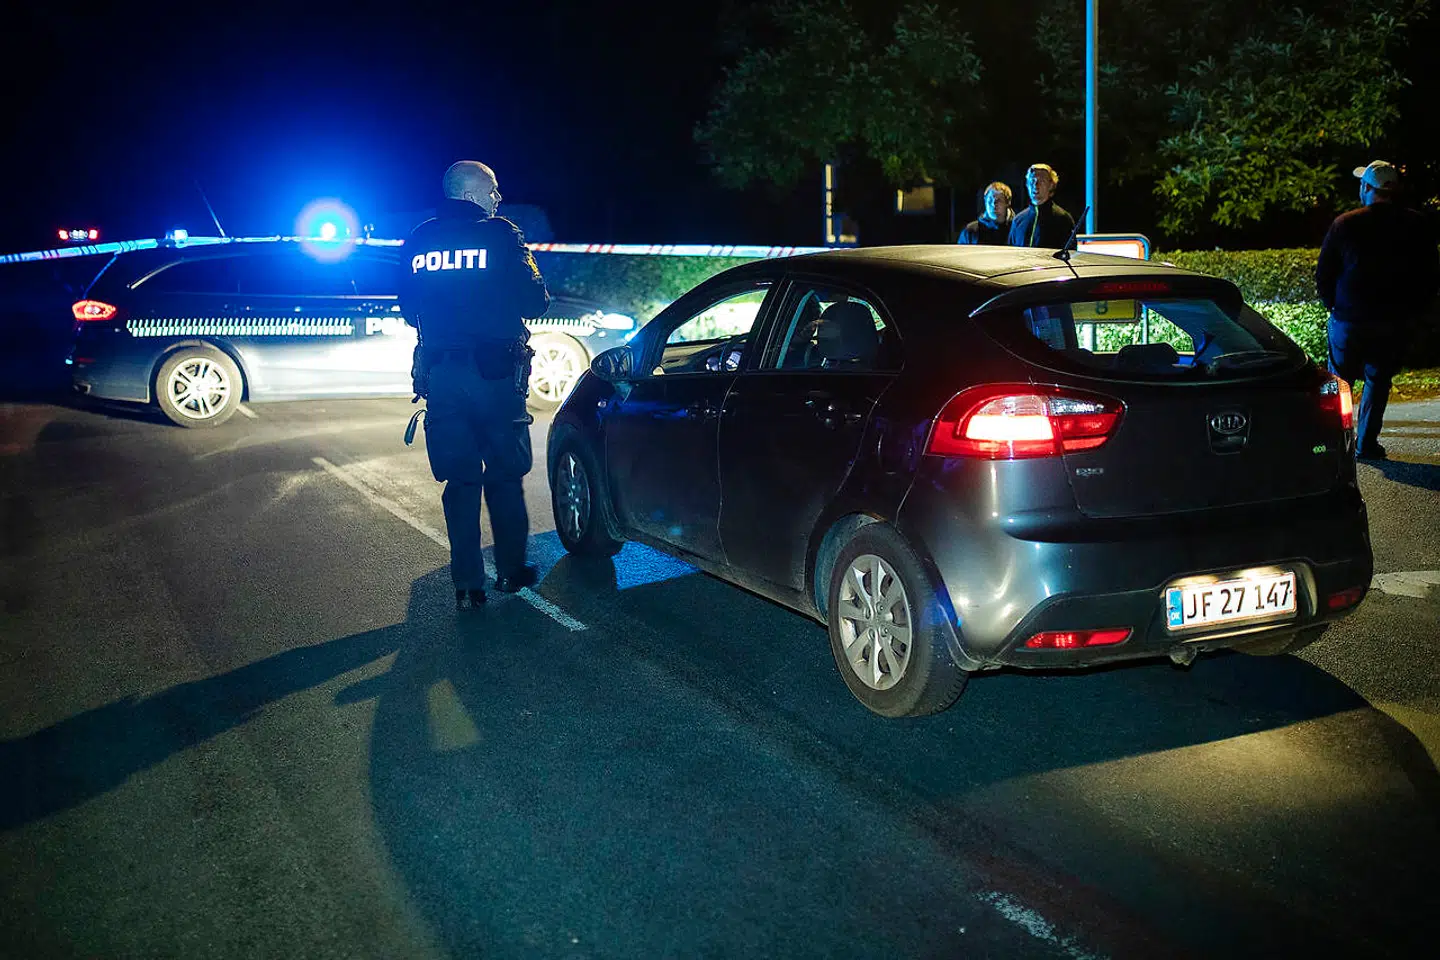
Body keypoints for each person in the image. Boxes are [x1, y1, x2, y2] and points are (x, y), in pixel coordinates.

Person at [401, 160, 551, 610]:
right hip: (496, 378)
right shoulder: (501, 234)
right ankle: (512, 571)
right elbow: (535, 301)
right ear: (471, 194)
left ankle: (467, 582)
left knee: (460, 481)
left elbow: (409, 308)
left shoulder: (419, 239)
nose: (497, 198)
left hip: (443, 378)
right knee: (504, 476)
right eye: (492, 189)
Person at [1316, 160, 1440, 460]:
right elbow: (1430, 274)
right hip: (1392, 320)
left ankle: (1336, 443)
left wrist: (1332, 306)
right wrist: (1414, 311)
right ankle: (1366, 444)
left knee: (1339, 382)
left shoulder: (1345, 224)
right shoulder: (1415, 224)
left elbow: (1324, 273)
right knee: (1378, 379)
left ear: (1366, 189)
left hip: (1349, 318)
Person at [1008, 163, 1076, 248]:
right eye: (1032, 181)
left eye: (1042, 181)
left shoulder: (1063, 219)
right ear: (1027, 185)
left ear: (1051, 185)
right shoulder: (1018, 220)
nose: (1036, 185)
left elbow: (1069, 254)